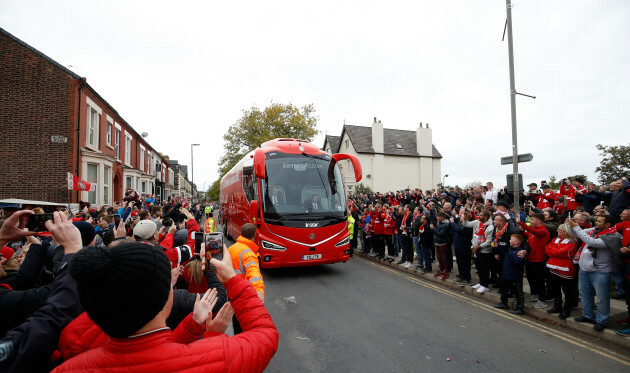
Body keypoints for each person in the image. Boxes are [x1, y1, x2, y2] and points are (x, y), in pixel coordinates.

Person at [52, 240, 278, 372]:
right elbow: (265, 335)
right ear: (162, 299)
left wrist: (193, 326)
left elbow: (151, 354)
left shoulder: (68, 367)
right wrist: (230, 278)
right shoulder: (220, 355)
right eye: (167, 285)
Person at [568, 215, 622, 332]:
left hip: (601, 272)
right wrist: (571, 225)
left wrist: (576, 227)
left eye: (599, 221)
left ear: (607, 224)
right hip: (585, 270)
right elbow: (575, 234)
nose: (595, 222)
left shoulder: (612, 236)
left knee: (602, 298)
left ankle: (601, 320)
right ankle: (588, 316)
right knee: (585, 294)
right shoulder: (593, 230)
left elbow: (592, 242)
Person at [226, 223, 265, 334]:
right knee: (246, 325)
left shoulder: (232, 248)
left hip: (232, 292)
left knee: (236, 320)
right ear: (254, 236)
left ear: (241, 233)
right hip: (244, 294)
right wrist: (259, 289)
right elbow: (254, 272)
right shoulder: (248, 253)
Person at [544, 224, 578, 319]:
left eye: (559, 230)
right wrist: (556, 251)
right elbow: (547, 249)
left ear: (565, 231)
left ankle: (567, 310)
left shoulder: (572, 242)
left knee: (567, 291)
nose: (557, 231)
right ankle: (557, 306)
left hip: (565, 269)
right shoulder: (555, 239)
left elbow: (565, 252)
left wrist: (553, 251)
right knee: (556, 289)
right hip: (554, 268)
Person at [517, 213, 550, 309]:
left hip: (538, 260)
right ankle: (534, 294)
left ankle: (542, 300)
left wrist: (521, 223)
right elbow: (528, 233)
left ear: (539, 221)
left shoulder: (543, 231)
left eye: (532, 220)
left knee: (539, 280)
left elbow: (532, 231)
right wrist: (522, 231)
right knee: (530, 277)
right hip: (530, 258)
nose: (530, 222)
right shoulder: (534, 231)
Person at [494, 234, 528, 314]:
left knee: (518, 292)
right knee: (503, 290)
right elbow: (503, 254)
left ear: (516, 242)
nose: (509, 240)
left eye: (511, 239)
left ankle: (520, 308)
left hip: (515, 276)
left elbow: (517, 261)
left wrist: (510, 253)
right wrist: (497, 248)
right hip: (506, 274)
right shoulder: (510, 249)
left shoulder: (519, 252)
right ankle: (503, 303)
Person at [463, 211, 494, 294]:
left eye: (480, 215)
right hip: (476, 249)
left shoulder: (490, 227)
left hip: (484, 251)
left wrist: (478, 247)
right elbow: (466, 224)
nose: (478, 216)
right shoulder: (477, 222)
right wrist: (465, 218)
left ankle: (485, 285)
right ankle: (481, 282)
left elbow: (488, 242)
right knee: (479, 267)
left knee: (484, 268)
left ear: (485, 217)